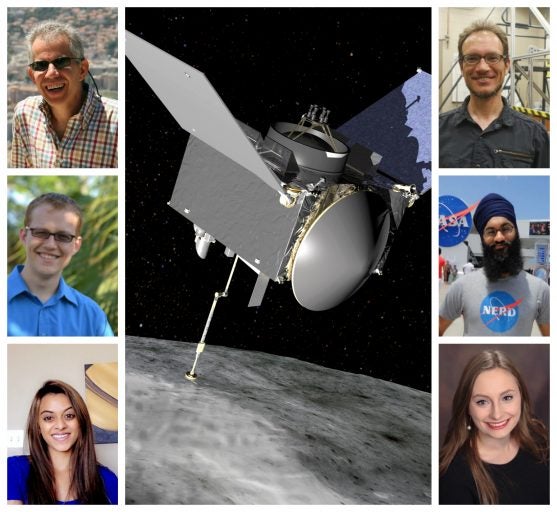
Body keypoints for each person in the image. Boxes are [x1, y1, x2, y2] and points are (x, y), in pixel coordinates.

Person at [439, 350, 548, 504]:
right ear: (466, 407)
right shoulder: (452, 477)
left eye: (507, 398)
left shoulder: (540, 438)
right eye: (482, 402)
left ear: (522, 397)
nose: (496, 414)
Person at [439, 20, 549, 168]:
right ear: (461, 66)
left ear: (507, 64)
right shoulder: (435, 131)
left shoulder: (536, 136)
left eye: (492, 57)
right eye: (472, 58)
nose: (483, 67)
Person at [439, 193, 549, 336]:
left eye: (506, 229)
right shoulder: (461, 287)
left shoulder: (540, 290)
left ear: (516, 232)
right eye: (490, 231)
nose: (499, 237)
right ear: (482, 239)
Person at [10, 20, 117, 168]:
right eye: (41, 65)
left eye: (61, 62)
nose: (51, 73)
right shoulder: (24, 114)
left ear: (82, 69)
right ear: (32, 75)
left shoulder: (117, 122)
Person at [7, 193, 114, 336]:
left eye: (63, 237)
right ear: (24, 236)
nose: (51, 245)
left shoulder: (93, 318)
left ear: (76, 245)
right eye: (41, 232)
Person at [8, 380, 118, 504]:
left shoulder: (108, 480)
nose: (60, 426)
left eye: (69, 416)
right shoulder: (13, 469)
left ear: (81, 422)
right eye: (49, 418)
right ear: (38, 426)